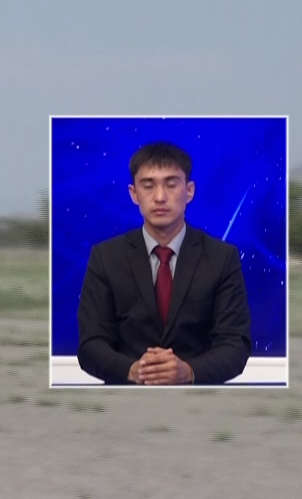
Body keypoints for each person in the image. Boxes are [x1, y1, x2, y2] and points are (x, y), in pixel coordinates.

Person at [76, 141, 251, 385]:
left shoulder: (221, 257)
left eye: (171, 184)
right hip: (126, 396)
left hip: (198, 398)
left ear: (189, 191)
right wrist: (134, 371)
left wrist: (187, 371)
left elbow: (235, 345)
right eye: (148, 186)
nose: (160, 197)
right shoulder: (106, 257)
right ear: (133, 194)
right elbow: (90, 345)